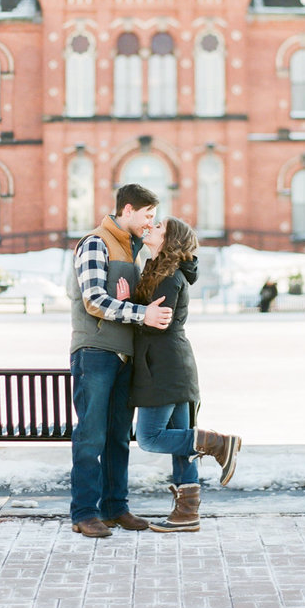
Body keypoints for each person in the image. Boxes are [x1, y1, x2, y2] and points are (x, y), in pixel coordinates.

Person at [118, 217, 242, 533]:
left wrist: (125, 306)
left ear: (170, 240)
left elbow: (157, 323)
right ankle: (187, 514)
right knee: (181, 448)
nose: (151, 228)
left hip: (163, 368)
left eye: (158, 227)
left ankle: (218, 443)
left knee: (149, 437)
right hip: (173, 366)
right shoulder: (161, 271)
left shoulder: (167, 277)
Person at [68, 183, 173, 539]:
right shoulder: (95, 242)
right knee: (91, 436)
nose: (149, 224)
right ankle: (84, 513)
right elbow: (94, 299)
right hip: (95, 353)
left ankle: (115, 507)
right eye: (147, 216)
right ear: (127, 209)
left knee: (116, 437)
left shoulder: (133, 248)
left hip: (124, 355)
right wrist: (138, 312)